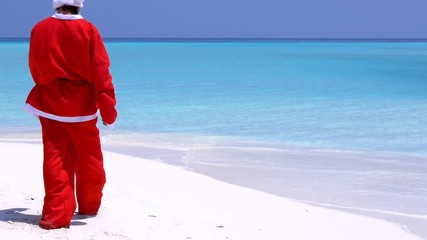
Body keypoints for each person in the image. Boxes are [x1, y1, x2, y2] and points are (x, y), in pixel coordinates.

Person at [24, 0, 117, 230]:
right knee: (90, 159)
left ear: (56, 4)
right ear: (80, 5)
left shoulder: (40, 28)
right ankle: (89, 205)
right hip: (81, 108)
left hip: (50, 105)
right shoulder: (89, 30)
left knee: (55, 160)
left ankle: (56, 216)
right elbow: (101, 72)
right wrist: (109, 111)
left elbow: (35, 66)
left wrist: (46, 90)